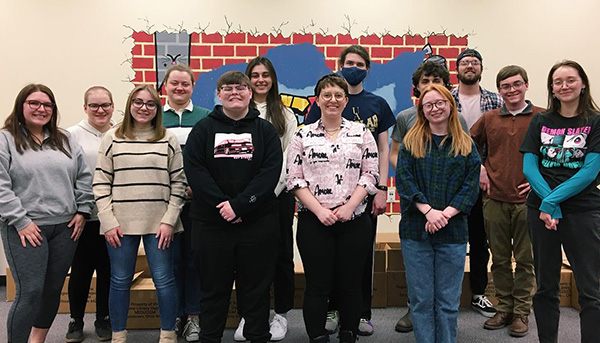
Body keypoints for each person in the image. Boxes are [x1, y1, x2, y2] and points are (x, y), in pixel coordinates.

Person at [183, 71, 283, 343]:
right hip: (211, 226)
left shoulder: (266, 131)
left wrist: (239, 206)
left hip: (257, 225)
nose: (234, 92)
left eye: (241, 87)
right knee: (214, 292)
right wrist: (222, 206)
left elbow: (269, 173)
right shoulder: (203, 130)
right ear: (219, 95)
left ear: (251, 94)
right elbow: (195, 171)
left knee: (256, 292)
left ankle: (256, 336)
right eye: (228, 88)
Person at [305, 44, 395, 336]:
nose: (354, 67)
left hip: (359, 202)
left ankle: (358, 316)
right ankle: (331, 311)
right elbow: (300, 168)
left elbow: (382, 151)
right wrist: (318, 208)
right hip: (318, 210)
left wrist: (381, 188)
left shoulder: (376, 106)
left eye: (360, 63)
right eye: (349, 62)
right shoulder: (309, 122)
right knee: (324, 268)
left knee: (356, 265)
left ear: (367, 68)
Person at [288, 74, 379, 343]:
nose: (332, 100)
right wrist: (319, 211)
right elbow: (294, 179)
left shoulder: (362, 133)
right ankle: (317, 335)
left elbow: (370, 174)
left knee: (351, 284)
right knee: (318, 285)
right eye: (326, 95)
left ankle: (349, 334)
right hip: (314, 221)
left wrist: (351, 206)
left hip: (354, 219)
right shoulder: (302, 135)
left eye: (338, 95)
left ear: (345, 100)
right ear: (317, 100)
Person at [0, 84, 94, 343]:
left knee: (53, 289)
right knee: (30, 291)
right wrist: (20, 220)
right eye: (34, 103)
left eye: (47, 105)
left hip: (65, 228)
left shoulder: (64, 139)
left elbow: (84, 176)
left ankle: (37, 340)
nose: (41, 109)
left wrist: (83, 210)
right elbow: (1, 185)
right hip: (26, 229)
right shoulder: (5, 139)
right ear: (21, 106)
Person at [93, 85, 186, 343]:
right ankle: (118, 335)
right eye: (138, 102)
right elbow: (100, 183)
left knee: (164, 280)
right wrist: (108, 221)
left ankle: (168, 335)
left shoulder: (168, 139)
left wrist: (170, 221)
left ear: (157, 108)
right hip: (120, 225)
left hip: (161, 225)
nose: (144, 107)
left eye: (150, 103)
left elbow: (178, 183)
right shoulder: (111, 138)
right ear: (130, 104)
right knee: (120, 280)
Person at [521, 60, 600, 343]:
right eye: (558, 82)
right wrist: (548, 204)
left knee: (591, 289)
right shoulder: (541, 121)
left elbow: (590, 172)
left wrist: (549, 202)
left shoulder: (595, 121)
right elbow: (530, 168)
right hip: (542, 212)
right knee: (545, 287)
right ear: (552, 89)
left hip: (583, 211)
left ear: (583, 84)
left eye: (570, 80)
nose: (564, 86)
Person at [396, 84, 480, 343]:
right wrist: (429, 211)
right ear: (421, 110)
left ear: (450, 104)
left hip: (453, 232)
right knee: (421, 301)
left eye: (440, 102)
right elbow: (404, 180)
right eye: (428, 105)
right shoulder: (411, 142)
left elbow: (471, 184)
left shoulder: (466, 144)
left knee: (447, 302)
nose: (435, 108)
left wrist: (445, 214)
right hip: (415, 231)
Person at [470, 66, 542, 337]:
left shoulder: (541, 117)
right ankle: (505, 308)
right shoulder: (489, 119)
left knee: (525, 260)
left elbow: (554, 153)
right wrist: (480, 169)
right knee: (499, 259)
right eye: (506, 86)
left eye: (516, 84)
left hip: (528, 201)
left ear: (526, 85)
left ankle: (522, 312)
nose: (511, 90)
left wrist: (540, 183)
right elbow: (467, 145)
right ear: (499, 90)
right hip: (494, 199)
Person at [232, 57, 298, 342]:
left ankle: (280, 315)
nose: (260, 80)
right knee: (247, 258)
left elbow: (288, 159)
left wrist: (267, 193)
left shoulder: (285, 114)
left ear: (272, 79)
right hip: (244, 199)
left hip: (277, 196)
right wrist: (246, 197)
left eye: (265, 75)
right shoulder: (234, 112)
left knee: (282, 255)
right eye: (254, 75)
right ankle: (250, 314)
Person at [451, 48, 503, 317]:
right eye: (465, 63)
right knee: (451, 238)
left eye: (475, 62)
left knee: (480, 239)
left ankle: (479, 294)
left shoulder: (496, 100)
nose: (470, 66)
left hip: (485, 180)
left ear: (481, 68)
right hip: (451, 180)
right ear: (457, 69)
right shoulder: (446, 99)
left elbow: (502, 141)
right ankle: (449, 295)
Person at [162, 64, 210, 342]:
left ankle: (193, 317)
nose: (179, 88)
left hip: (196, 204)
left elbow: (209, 160)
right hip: (163, 205)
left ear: (193, 87)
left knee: (194, 262)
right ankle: (174, 316)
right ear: (165, 87)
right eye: (174, 84)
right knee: (169, 263)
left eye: (185, 84)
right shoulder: (154, 118)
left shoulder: (205, 118)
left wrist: (197, 187)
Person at [65, 86, 115, 343]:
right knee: (81, 271)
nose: (100, 110)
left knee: (108, 271)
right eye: (94, 105)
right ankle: (75, 320)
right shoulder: (71, 136)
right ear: (85, 107)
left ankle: (103, 319)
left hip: (114, 219)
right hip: (82, 217)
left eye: (105, 105)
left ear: (113, 106)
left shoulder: (121, 133)